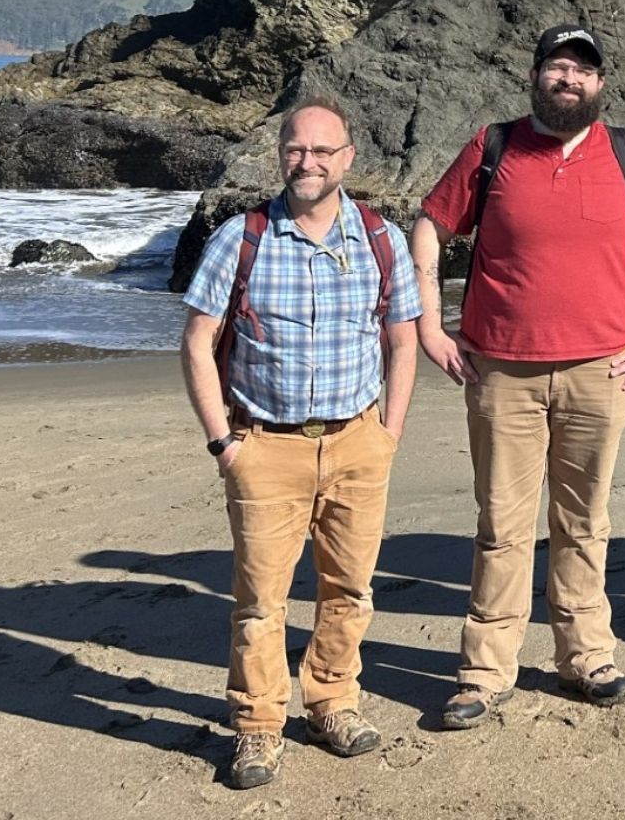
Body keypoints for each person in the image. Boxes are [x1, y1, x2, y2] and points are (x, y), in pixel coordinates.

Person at [410, 24, 625, 727]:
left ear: (601, 84)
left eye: (584, 71)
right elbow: (427, 230)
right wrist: (426, 326)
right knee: (501, 527)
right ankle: (483, 672)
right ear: (536, 74)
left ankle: (586, 656)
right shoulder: (492, 146)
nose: (570, 79)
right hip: (501, 370)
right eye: (558, 67)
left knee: (583, 522)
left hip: (602, 372)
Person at [179, 96, 422, 789]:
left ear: (348, 159)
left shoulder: (381, 238)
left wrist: (389, 433)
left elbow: (403, 341)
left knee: (349, 589)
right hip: (266, 448)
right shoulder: (241, 237)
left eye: (323, 151)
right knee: (261, 600)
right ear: (279, 153)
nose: (307, 162)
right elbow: (197, 342)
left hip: (357, 443)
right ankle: (258, 726)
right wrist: (224, 442)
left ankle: (332, 703)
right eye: (295, 148)